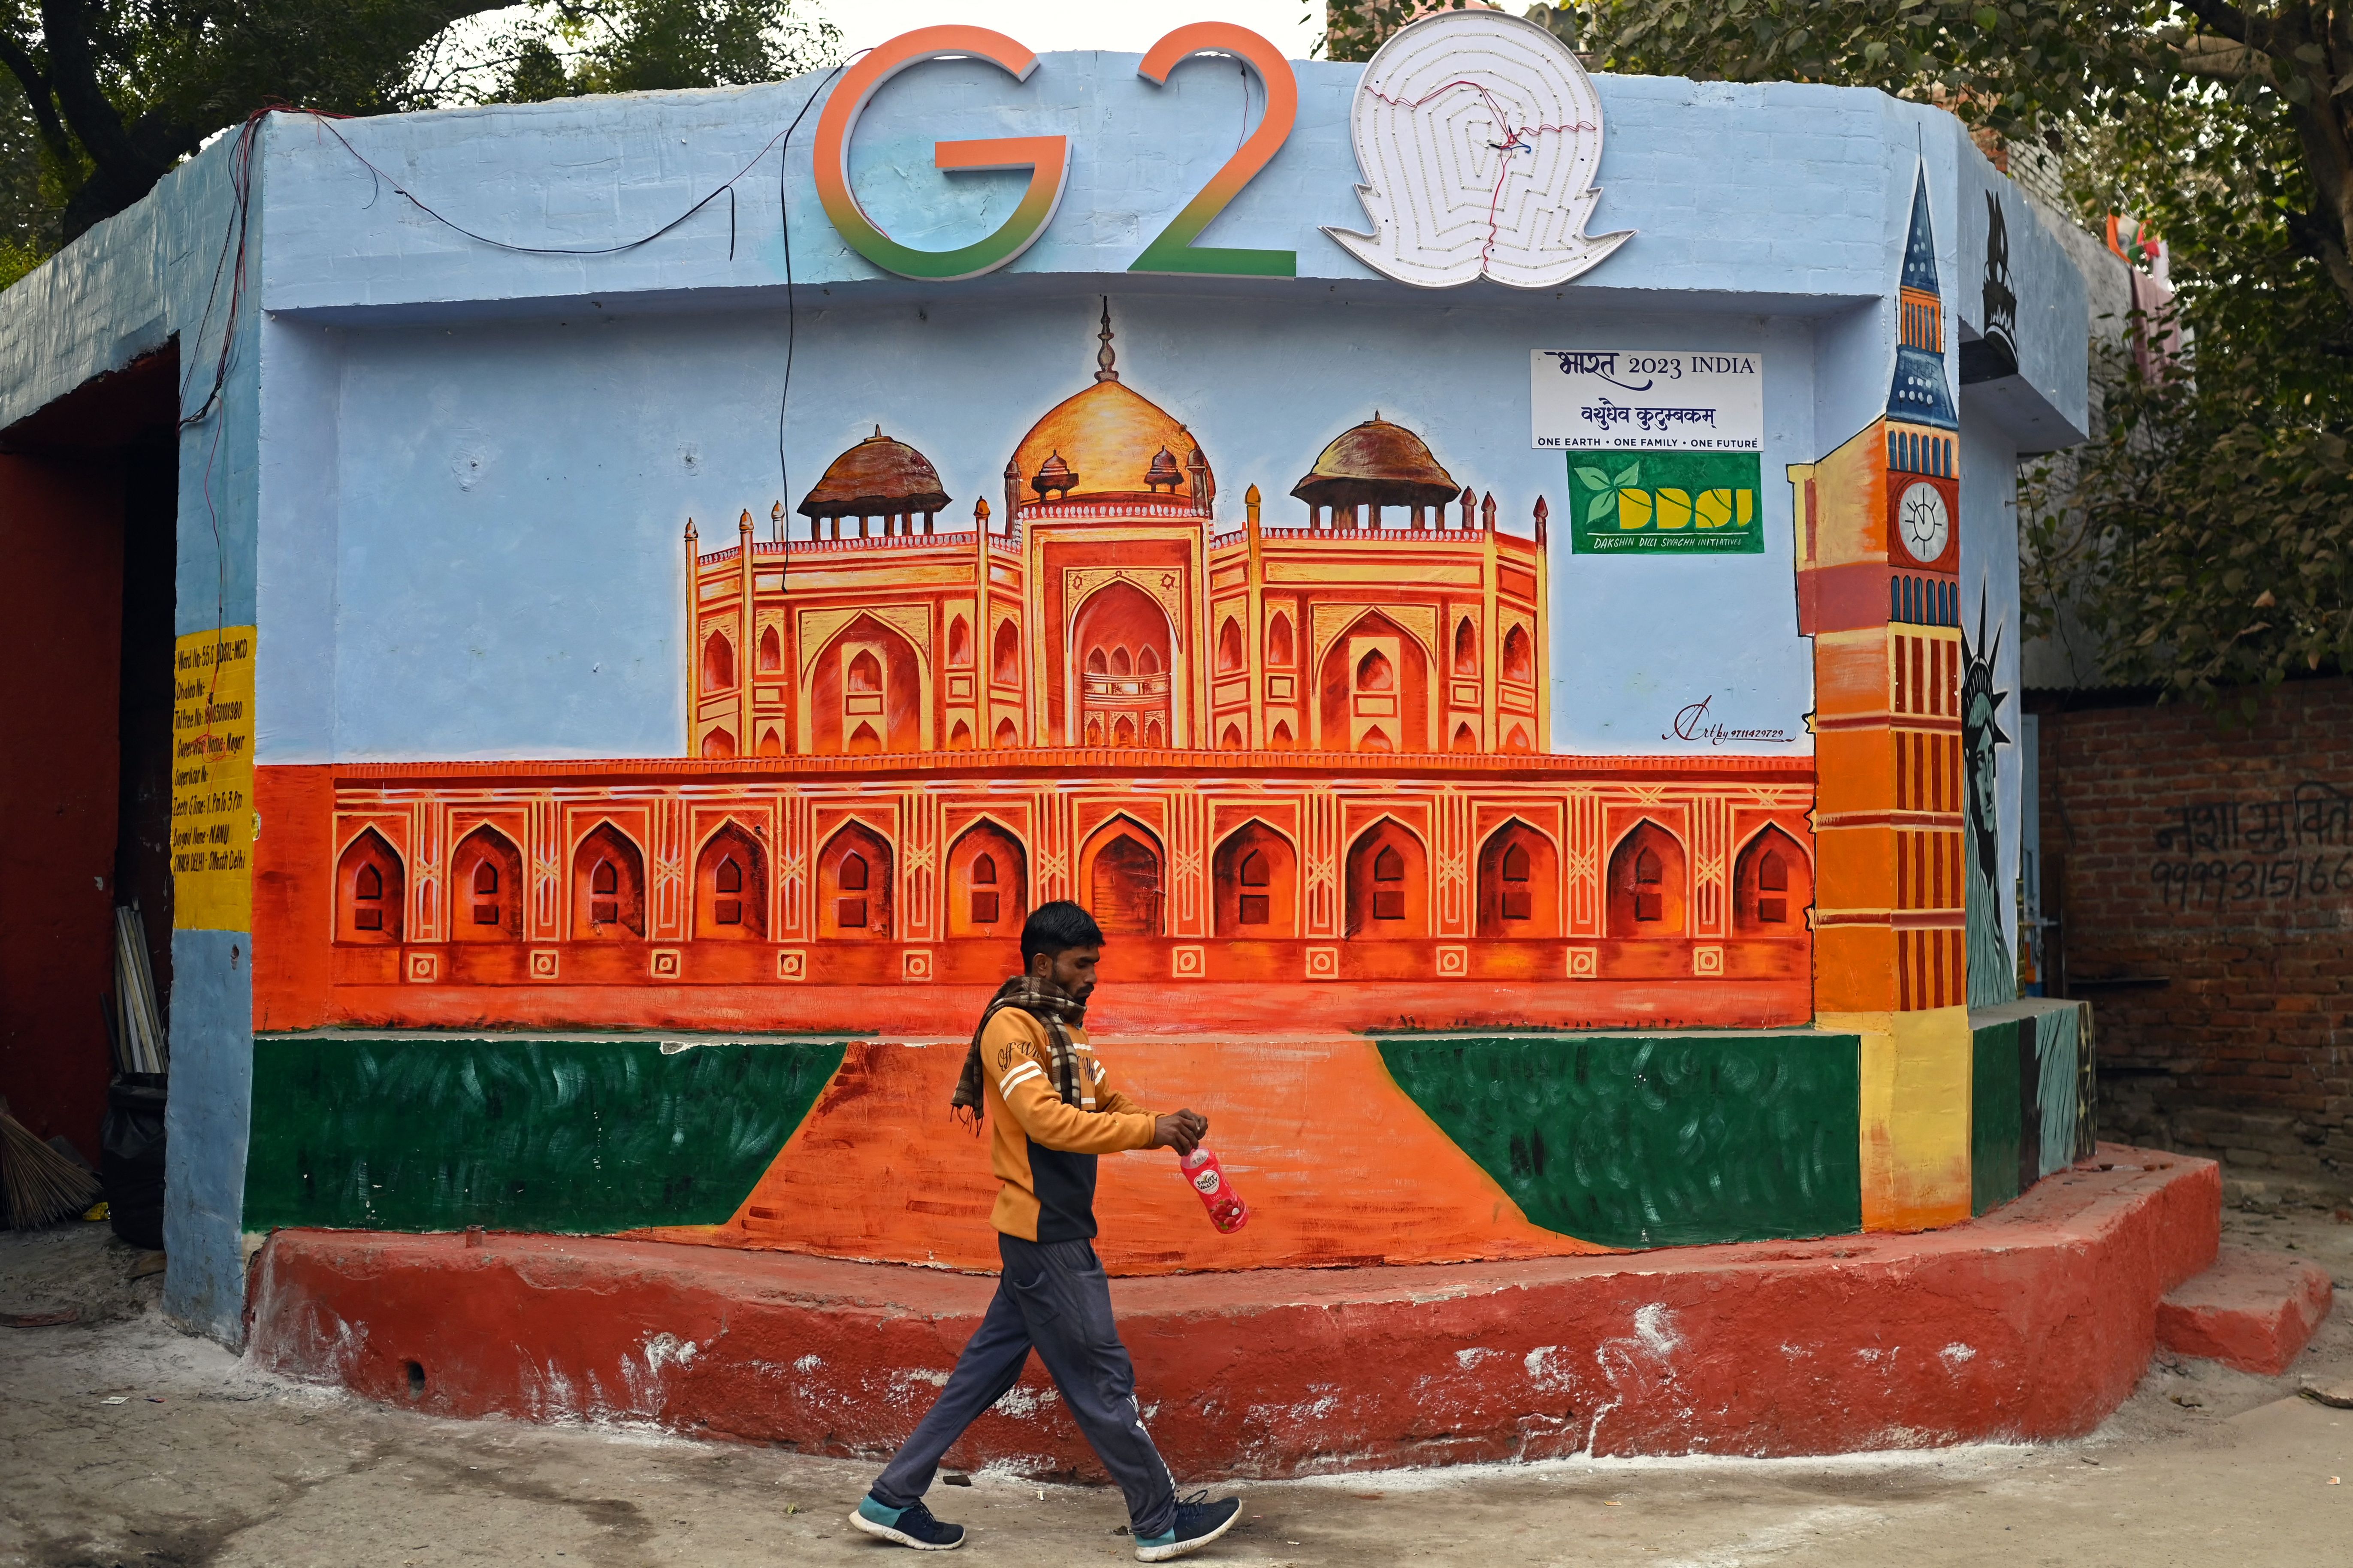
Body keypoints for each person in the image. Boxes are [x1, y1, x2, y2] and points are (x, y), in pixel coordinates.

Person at [849, 901, 1243, 1561]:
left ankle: (891, 1497)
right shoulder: (1012, 1028)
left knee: (982, 1376)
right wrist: (1151, 1131)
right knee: (1100, 1377)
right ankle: (1159, 1520)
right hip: (1047, 1237)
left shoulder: (1064, 1030)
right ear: (1043, 963)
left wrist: (1164, 1122)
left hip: (1044, 1234)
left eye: (1095, 964)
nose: (1092, 977)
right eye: (1081, 964)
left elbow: (1101, 1103)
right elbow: (1047, 1122)